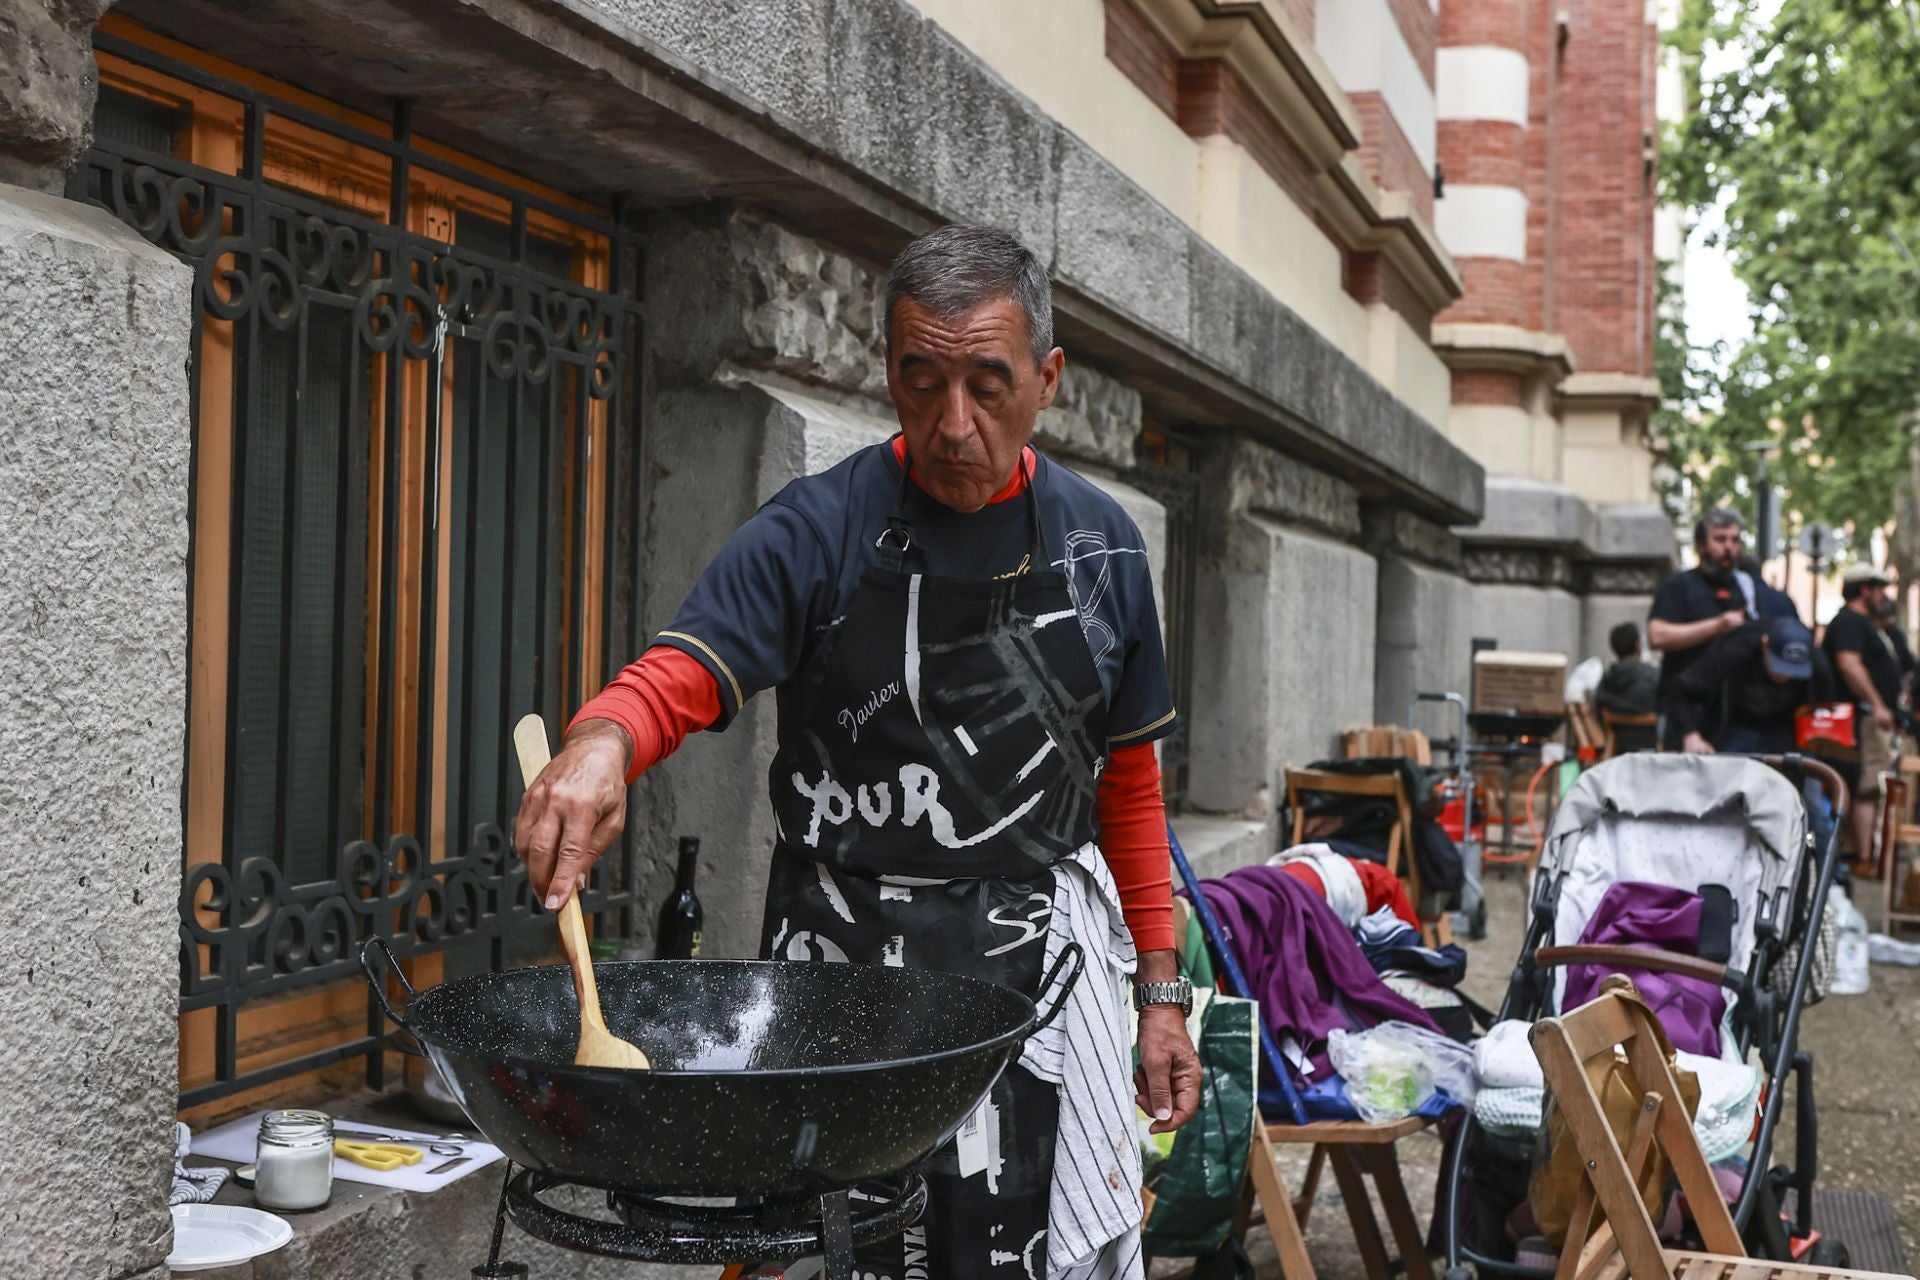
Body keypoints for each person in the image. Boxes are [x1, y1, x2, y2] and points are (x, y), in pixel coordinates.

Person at [513, 225, 1199, 1278]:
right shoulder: (818, 529)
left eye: (987, 383)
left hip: (1028, 984)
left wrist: (1160, 994)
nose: (952, 421)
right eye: (921, 380)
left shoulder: (1102, 549)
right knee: (830, 1246)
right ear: (888, 368)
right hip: (833, 987)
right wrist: (602, 740)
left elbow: (1133, 793)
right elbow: (685, 667)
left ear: (1048, 378)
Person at [1648, 508, 1754, 746]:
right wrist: (1717, 626)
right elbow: (1657, 635)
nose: (1729, 548)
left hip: (1731, 715)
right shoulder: (1678, 585)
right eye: (1720, 539)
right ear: (1701, 545)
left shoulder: (1746, 589)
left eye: (1735, 540)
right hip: (1682, 711)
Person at [1823, 563, 1903, 860]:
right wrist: (1878, 704)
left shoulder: (1865, 624)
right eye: (1879, 588)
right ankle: (1858, 854)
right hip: (1858, 720)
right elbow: (1849, 663)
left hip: (1869, 719)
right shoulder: (1848, 622)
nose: (1884, 594)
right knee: (1865, 785)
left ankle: (1862, 852)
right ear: (1864, 589)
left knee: (1869, 784)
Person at [1673, 616, 1834, 755]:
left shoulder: (1818, 666)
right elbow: (1684, 688)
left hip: (1784, 730)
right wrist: (1691, 734)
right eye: (1779, 667)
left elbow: (1823, 706)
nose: (1785, 676)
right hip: (1735, 726)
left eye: (1793, 670)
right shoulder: (1734, 650)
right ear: (1765, 645)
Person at [1593, 622, 1659, 751]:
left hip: (1617, 749)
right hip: (1651, 747)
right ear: (1638, 646)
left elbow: (1598, 711)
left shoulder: (1606, 679)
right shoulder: (1653, 676)